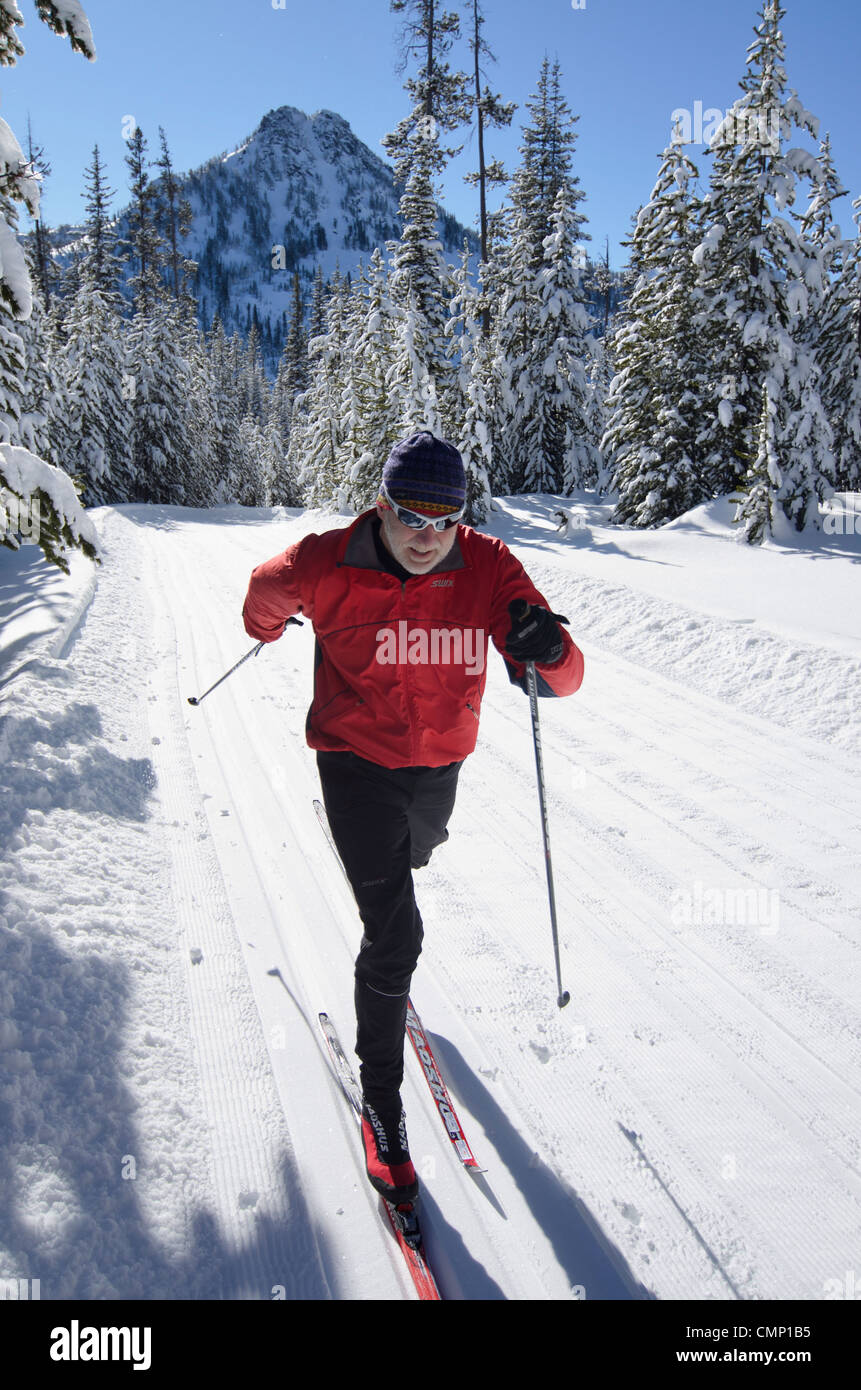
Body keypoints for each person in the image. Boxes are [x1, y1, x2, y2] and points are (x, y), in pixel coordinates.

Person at [242, 431, 584, 1208]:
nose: (426, 537)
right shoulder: (324, 561)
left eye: (443, 519)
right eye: (409, 517)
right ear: (381, 505)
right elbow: (262, 596)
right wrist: (270, 626)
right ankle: (382, 1103)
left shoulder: (488, 566)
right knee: (396, 932)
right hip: (354, 762)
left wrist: (546, 648)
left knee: (414, 858)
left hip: (438, 767)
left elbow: (563, 678)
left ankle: (387, 955)